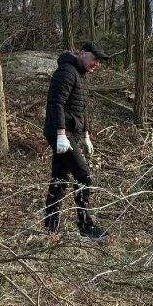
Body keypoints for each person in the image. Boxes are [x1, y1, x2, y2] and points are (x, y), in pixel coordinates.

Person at [43, 42, 110, 239]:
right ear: (82, 53)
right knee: (83, 175)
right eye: (94, 58)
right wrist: (61, 134)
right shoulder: (66, 71)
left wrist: (87, 135)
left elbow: (82, 109)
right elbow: (56, 104)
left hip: (70, 133)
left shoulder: (81, 75)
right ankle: (85, 226)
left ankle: (50, 227)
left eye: (99, 61)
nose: (96, 63)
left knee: (59, 179)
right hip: (61, 133)